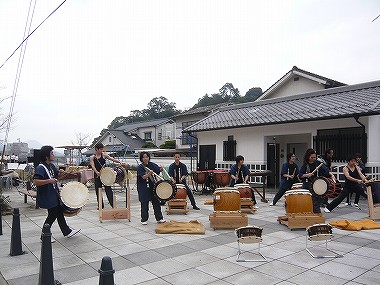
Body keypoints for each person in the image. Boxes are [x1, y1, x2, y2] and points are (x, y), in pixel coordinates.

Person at [33, 145, 80, 241]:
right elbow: (35, 181)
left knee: (58, 212)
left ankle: (66, 231)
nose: (53, 155)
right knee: (52, 215)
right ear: (46, 156)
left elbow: (57, 175)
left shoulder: (51, 166)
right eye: (51, 153)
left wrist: (62, 172)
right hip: (47, 195)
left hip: (53, 194)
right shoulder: (41, 167)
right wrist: (49, 181)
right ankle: (44, 236)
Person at [298, 148, 336, 213]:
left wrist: (331, 174)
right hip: (307, 185)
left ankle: (316, 213)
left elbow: (325, 169)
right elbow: (300, 175)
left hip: (316, 185)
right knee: (311, 201)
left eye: (314, 157)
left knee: (318, 199)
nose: (313, 158)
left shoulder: (318, 163)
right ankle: (314, 213)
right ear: (308, 157)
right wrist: (307, 175)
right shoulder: (305, 165)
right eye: (312, 157)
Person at [90, 143, 126, 209]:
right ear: (96, 149)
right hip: (97, 175)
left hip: (105, 174)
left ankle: (113, 205)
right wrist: (97, 172)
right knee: (98, 190)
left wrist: (120, 162)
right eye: (100, 149)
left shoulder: (104, 155)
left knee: (108, 189)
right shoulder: (92, 157)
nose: (101, 150)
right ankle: (100, 205)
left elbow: (112, 159)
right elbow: (93, 166)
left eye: (102, 149)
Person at [137, 151, 166, 225]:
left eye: (147, 157)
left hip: (152, 187)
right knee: (144, 203)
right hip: (143, 187)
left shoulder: (152, 165)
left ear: (149, 158)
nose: (145, 158)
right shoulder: (140, 167)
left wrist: (161, 169)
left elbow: (158, 169)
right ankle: (144, 219)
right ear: (141, 159)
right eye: (144, 157)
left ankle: (159, 218)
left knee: (156, 202)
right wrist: (149, 174)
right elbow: (143, 177)